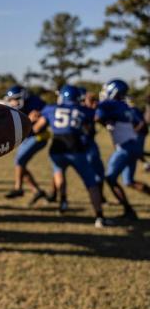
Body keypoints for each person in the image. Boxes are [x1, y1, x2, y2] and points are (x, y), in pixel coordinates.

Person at [33, 85, 112, 227]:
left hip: (57, 147)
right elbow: (91, 125)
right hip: (76, 148)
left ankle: (63, 201)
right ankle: (99, 216)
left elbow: (37, 128)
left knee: (58, 173)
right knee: (91, 183)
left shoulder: (50, 109)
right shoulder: (83, 110)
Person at [95, 79, 147, 220]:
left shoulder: (109, 104)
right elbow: (139, 123)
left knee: (110, 179)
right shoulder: (124, 106)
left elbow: (97, 117)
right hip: (133, 145)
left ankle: (129, 211)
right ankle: (129, 210)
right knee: (128, 181)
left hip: (125, 148)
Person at [4, 85, 49, 205]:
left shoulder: (36, 103)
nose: (13, 102)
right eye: (11, 100)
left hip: (39, 136)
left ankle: (18, 188)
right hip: (28, 137)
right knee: (20, 165)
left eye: (15, 99)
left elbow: (40, 123)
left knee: (19, 161)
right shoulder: (21, 106)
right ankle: (37, 191)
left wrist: (32, 121)